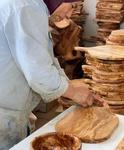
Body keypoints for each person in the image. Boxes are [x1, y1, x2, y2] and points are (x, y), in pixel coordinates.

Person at [0, 0, 105, 149]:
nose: (70, 14)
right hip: (4, 112)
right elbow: (38, 71)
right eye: (72, 6)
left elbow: (43, 59)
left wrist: (68, 86)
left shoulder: (31, 7)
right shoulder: (24, 7)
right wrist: (73, 92)